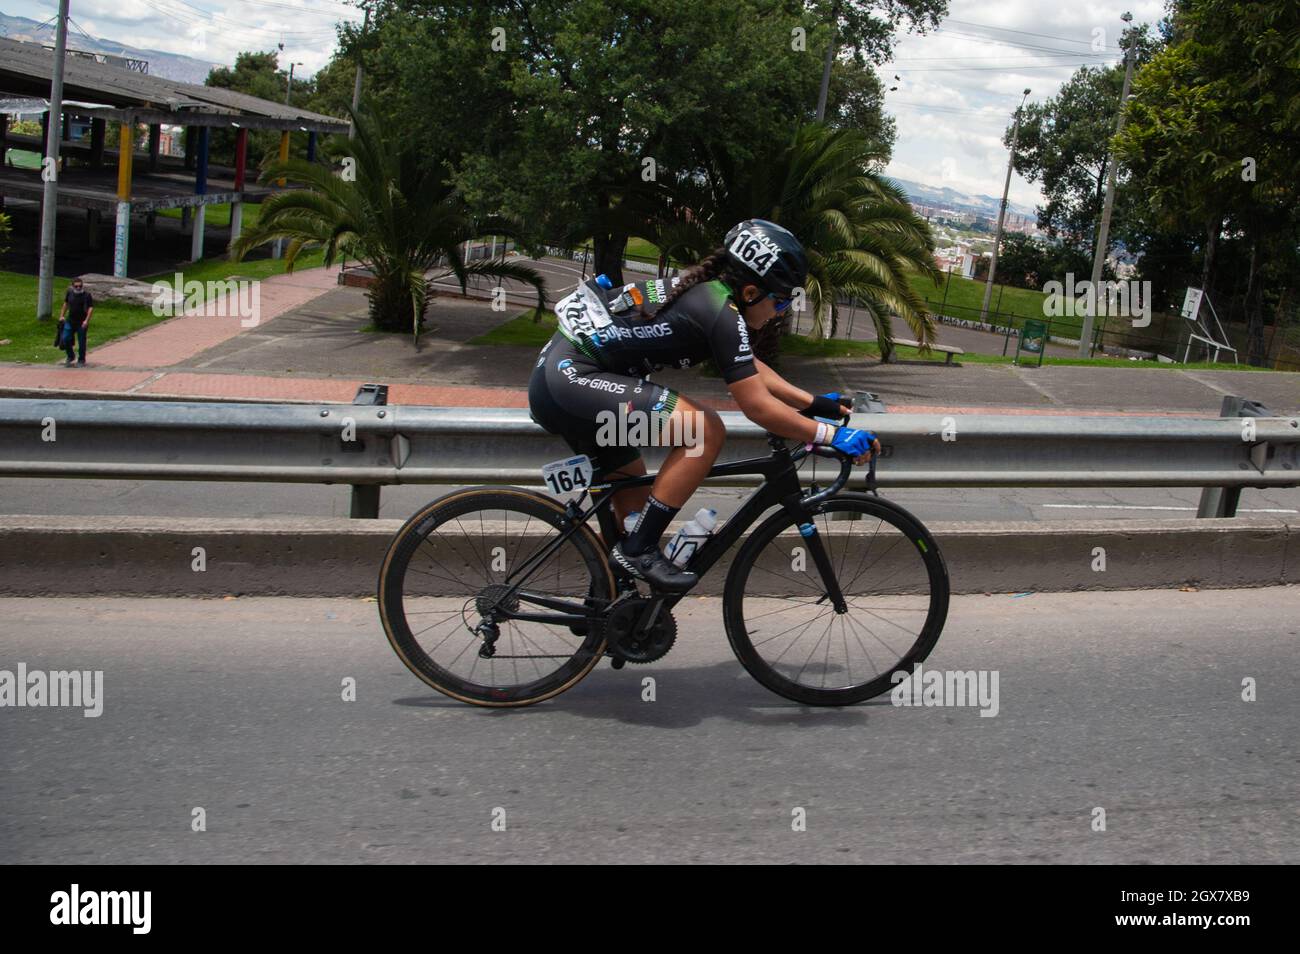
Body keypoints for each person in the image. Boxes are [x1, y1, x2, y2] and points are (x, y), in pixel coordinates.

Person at [528, 219, 880, 593]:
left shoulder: (715, 300)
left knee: (634, 512)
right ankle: (640, 552)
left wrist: (811, 403)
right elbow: (757, 406)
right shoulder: (719, 312)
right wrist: (832, 436)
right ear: (749, 292)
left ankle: (605, 608)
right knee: (704, 430)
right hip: (571, 382)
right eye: (780, 301)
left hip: (565, 384)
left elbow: (747, 365)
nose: (780, 312)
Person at [58, 278, 94, 367]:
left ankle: (81, 359)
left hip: (81, 322)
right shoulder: (70, 293)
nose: (78, 288)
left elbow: (90, 308)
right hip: (70, 320)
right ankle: (70, 355)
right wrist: (62, 315)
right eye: (76, 286)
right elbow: (65, 304)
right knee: (65, 338)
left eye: (80, 286)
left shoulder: (87, 295)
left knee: (82, 341)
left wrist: (86, 321)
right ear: (73, 286)